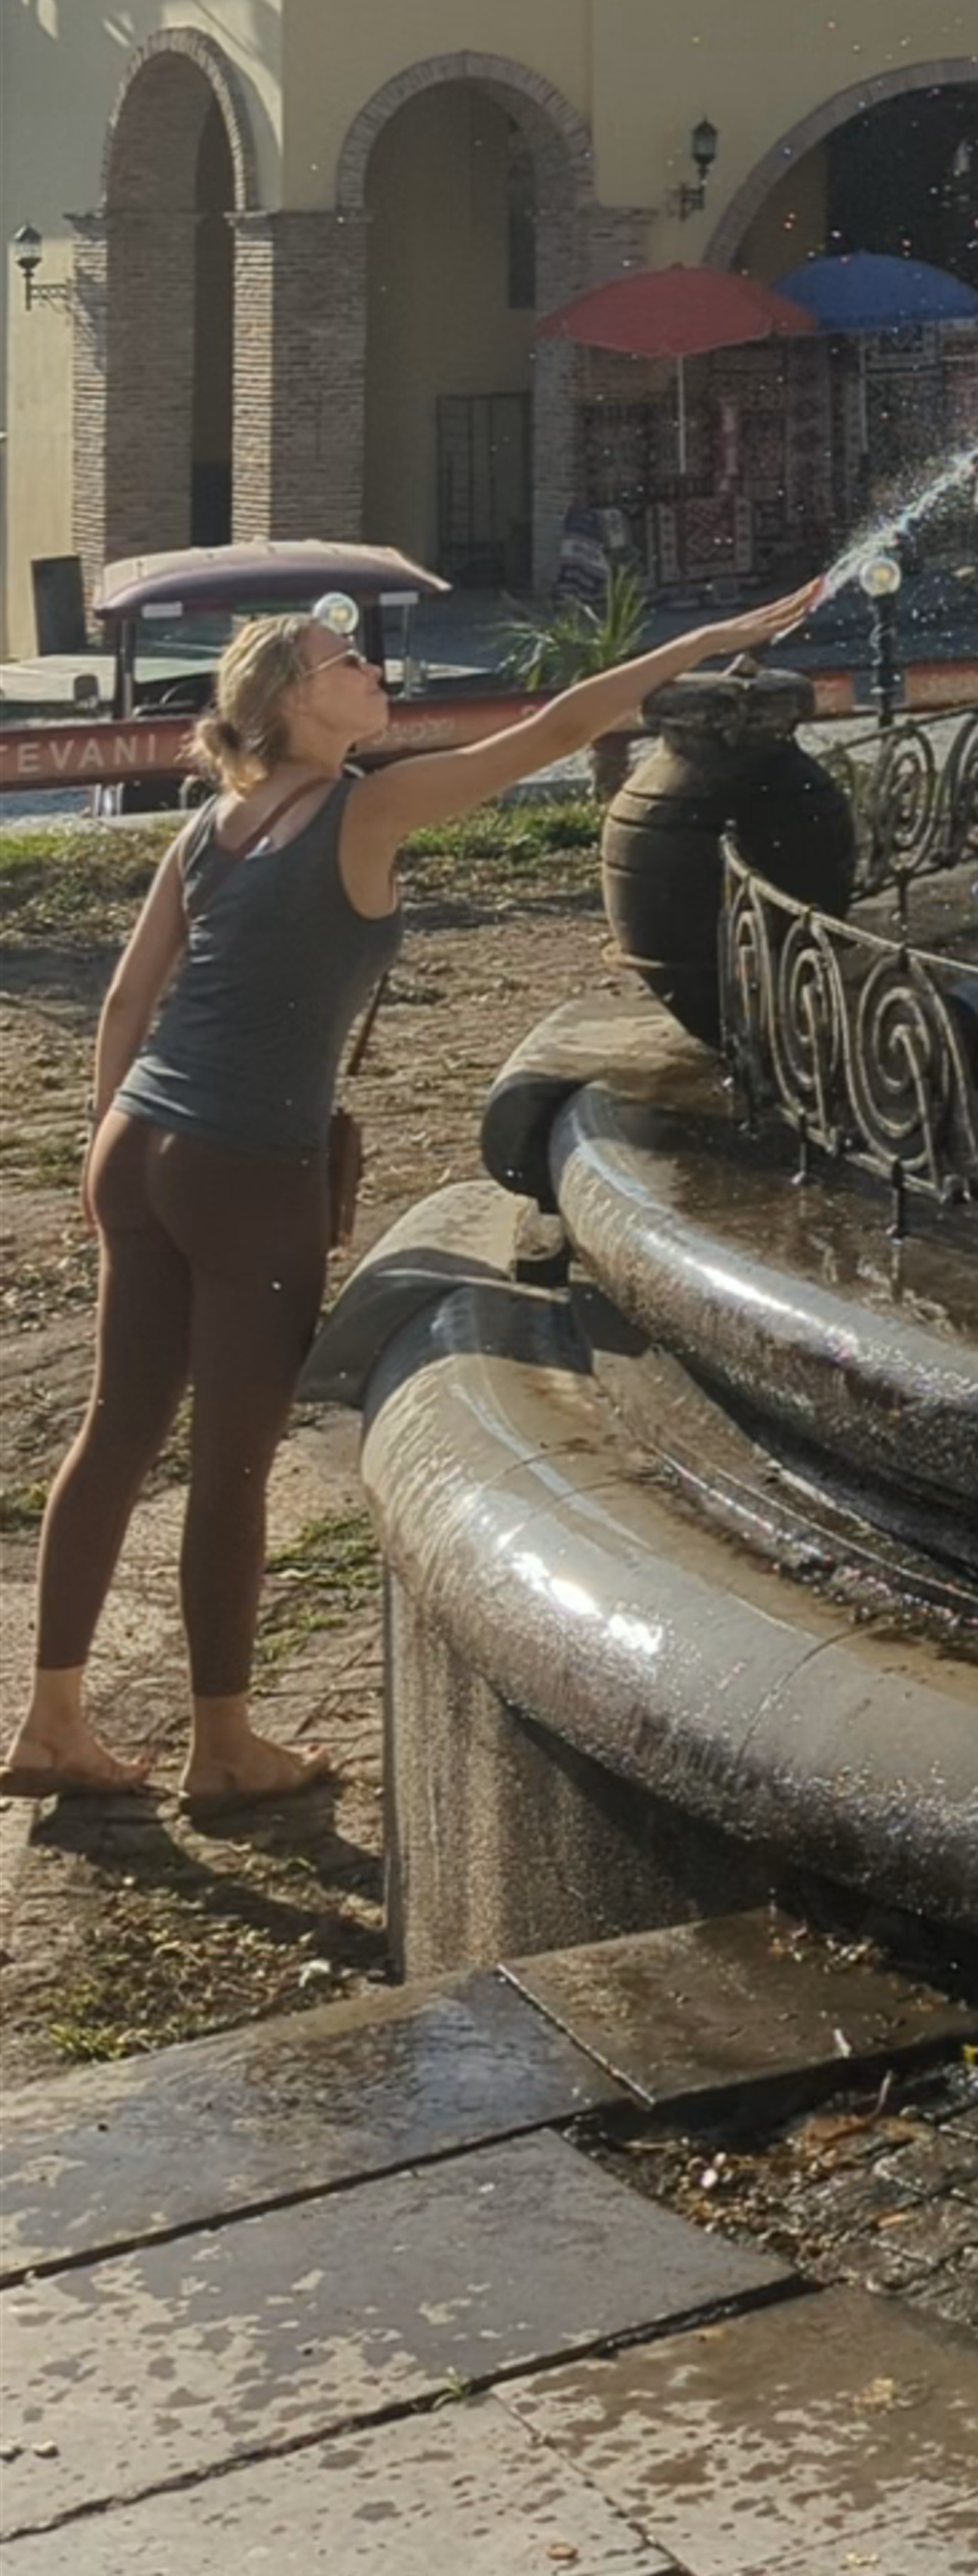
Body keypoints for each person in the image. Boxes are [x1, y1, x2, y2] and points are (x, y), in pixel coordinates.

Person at [4, 576, 817, 1813]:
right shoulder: (363, 808)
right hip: (244, 1169)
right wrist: (707, 642)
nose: (375, 674)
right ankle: (221, 1746)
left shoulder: (211, 824)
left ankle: (52, 1721)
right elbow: (549, 732)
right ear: (288, 698)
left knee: (115, 1431)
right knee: (230, 1464)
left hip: (139, 1142)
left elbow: (126, 1006)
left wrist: (94, 1150)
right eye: (347, 663)